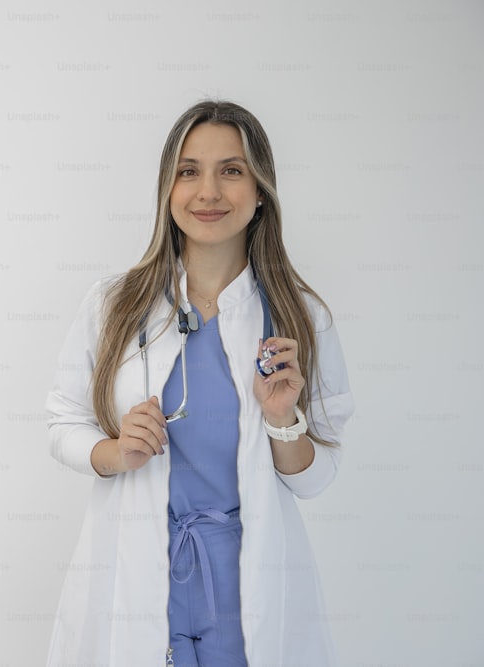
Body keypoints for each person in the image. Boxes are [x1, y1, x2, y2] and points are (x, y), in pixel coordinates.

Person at [44, 100, 355, 666]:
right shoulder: (114, 304)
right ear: (167, 189)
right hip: (137, 569)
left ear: (261, 191)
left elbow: (316, 480)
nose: (208, 192)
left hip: (243, 580)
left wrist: (283, 419)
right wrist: (114, 450)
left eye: (231, 170)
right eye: (189, 171)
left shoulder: (299, 317)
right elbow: (63, 423)